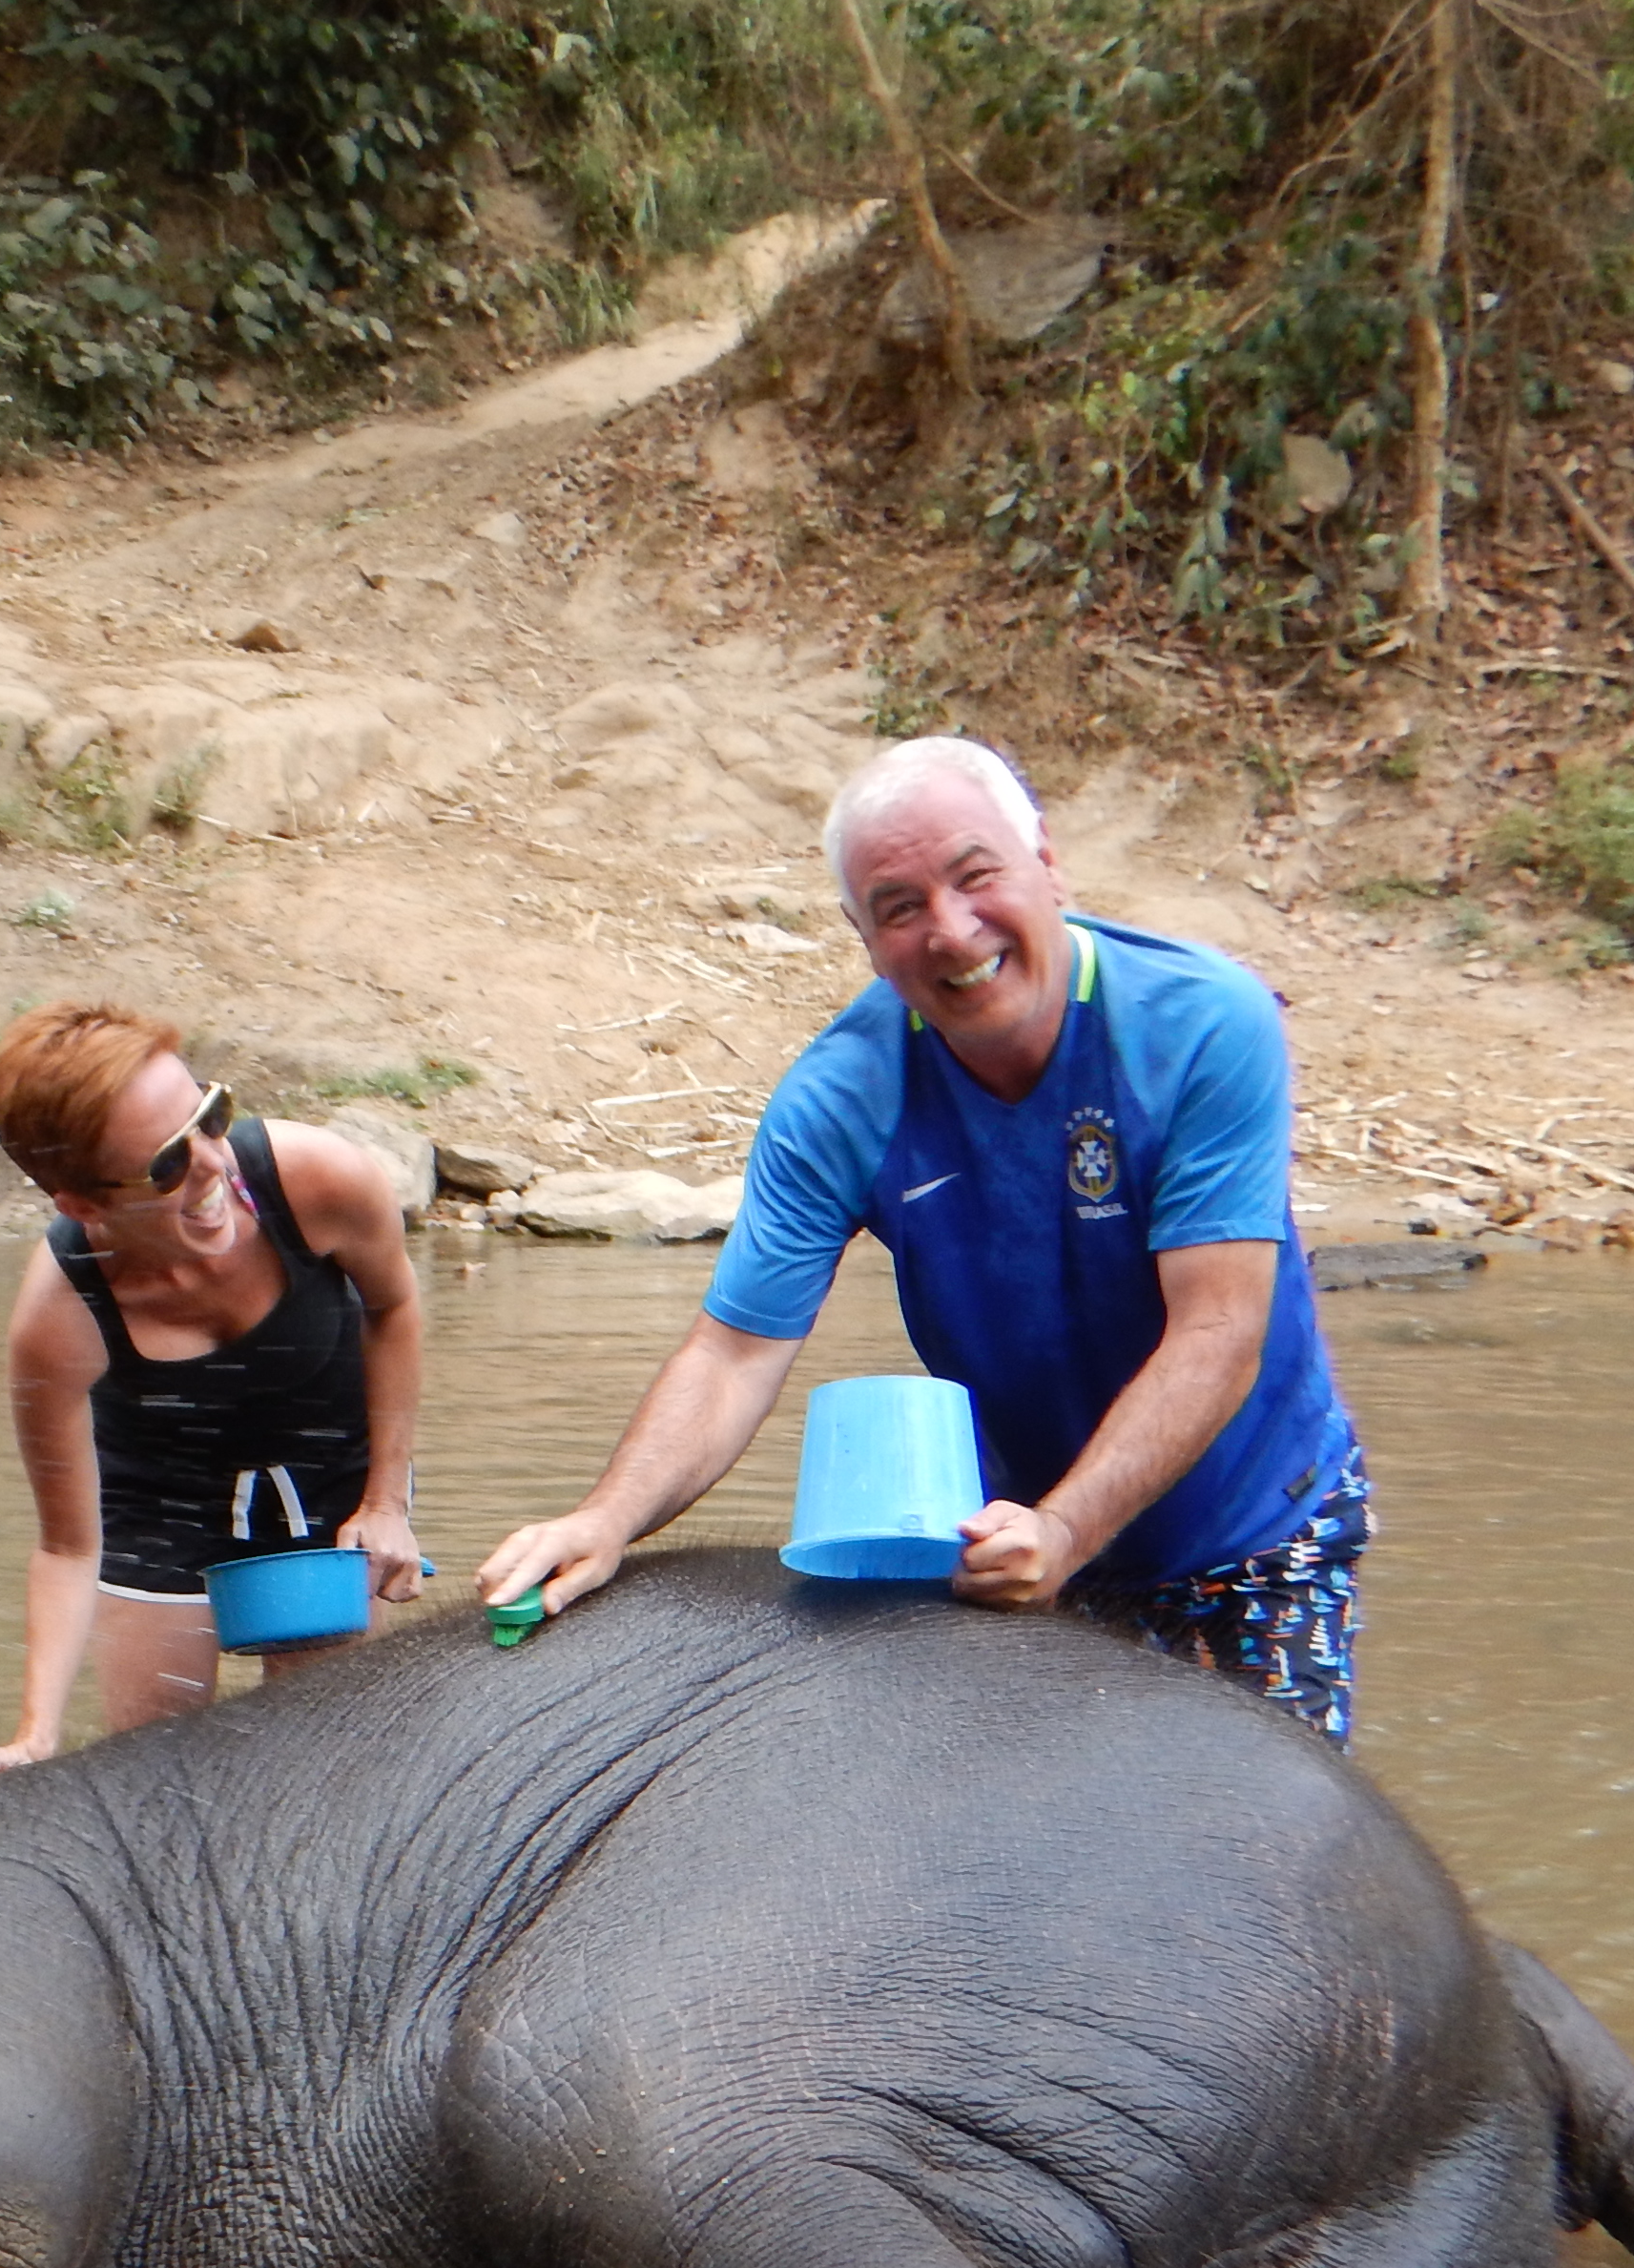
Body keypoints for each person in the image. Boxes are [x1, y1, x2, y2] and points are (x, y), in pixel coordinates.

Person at [479, 735, 1372, 1738]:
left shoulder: (1202, 1025)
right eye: (899, 907)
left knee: (1251, 1870)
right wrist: (604, 1519)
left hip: (1248, 1531)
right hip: (1010, 1541)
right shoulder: (841, 1098)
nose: (951, 931)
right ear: (862, 934)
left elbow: (1217, 1332)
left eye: (976, 876)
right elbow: (733, 1354)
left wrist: (1069, 1527)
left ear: (1047, 861)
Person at [0, 1002, 425, 1783]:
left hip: (323, 1472)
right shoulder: (58, 1320)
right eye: (165, 1164)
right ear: (83, 1204)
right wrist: (34, 1735)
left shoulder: (321, 1179)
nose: (213, 1165)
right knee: (153, 1777)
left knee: (320, 1768)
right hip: (160, 1496)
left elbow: (393, 1308)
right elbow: (67, 1546)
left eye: (211, 1115)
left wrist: (386, 1499)